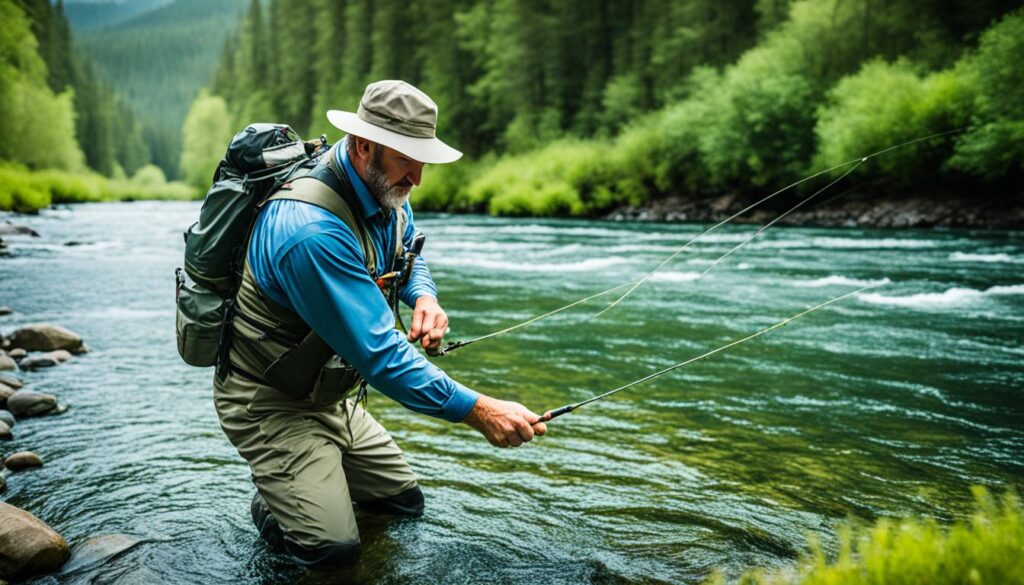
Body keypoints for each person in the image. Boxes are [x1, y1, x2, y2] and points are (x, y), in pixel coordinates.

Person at [212, 80, 547, 566]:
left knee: (401, 504)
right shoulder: (310, 231)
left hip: (327, 392)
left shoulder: (384, 189)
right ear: (364, 146)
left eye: (422, 160)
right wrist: (481, 411)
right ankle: (279, 504)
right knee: (332, 553)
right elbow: (381, 357)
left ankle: (309, 486)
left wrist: (423, 297)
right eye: (407, 160)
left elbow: (408, 251)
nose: (418, 178)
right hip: (269, 401)